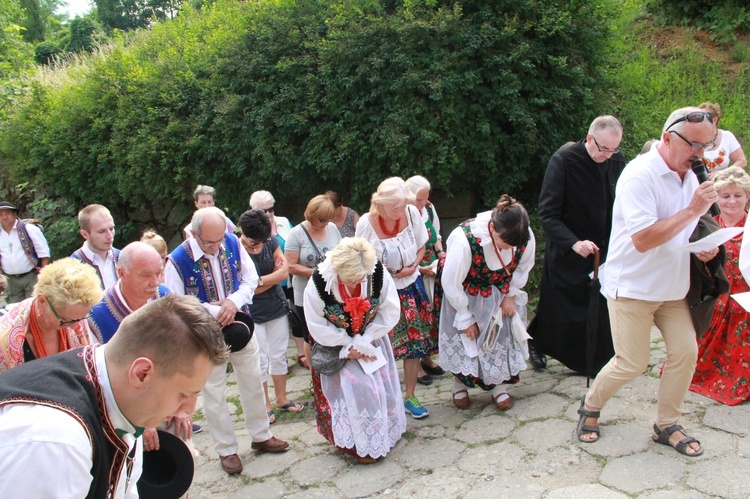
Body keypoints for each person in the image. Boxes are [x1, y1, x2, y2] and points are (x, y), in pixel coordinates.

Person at [576, 107, 720, 458]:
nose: (701, 154)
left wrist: (703, 249)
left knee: (686, 352)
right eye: (694, 145)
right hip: (634, 288)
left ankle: (667, 424)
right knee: (633, 362)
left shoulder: (690, 174)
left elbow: (687, 230)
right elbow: (642, 239)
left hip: (671, 287)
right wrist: (692, 211)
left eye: (708, 145)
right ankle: (590, 406)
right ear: (668, 138)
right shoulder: (639, 176)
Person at [0, 294, 226, 498]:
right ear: (141, 374)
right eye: (184, 394)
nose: (188, 408)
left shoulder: (125, 402)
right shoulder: (54, 442)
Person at [165, 207, 289, 474]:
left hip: (241, 325)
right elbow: (175, 301)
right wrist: (214, 310)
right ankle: (226, 450)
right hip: (203, 335)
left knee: (254, 378)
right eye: (209, 242)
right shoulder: (176, 260)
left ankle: (261, 435)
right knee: (214, 391)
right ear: (194, 234)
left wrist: (233, 302)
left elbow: (250, 278)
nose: (216, 246)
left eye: (220, 239)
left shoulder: (232, 241)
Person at [527, 116, 627, 372]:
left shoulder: (616, 159)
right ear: (590, 138)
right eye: (603, 149)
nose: (608, 155)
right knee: (558, 307)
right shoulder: (564, 160)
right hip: (568, 248)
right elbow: (547, 213)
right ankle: (537, 342)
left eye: (613, 149)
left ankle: (593, 358)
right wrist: (573, 243)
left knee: (596, 304)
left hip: (602, 248)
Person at [303, 237, 406, 464]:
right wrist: (346, 346)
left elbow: (389, 310)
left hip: (372, 341)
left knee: (380, 388)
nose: (355, 282)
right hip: (336, 346)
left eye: (359, 278)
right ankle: (356, 444)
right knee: (356, 390)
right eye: (349, 279)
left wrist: (366, 339)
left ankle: (382, 435)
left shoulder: (376, 272)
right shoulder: (320, 282)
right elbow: (316, 324)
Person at [435, 195, 535, 411]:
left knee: (498, 338)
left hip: (499, 296)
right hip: (466, 295)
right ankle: (458, 384)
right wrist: (465, 316)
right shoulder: (464, 240)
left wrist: (510, 295)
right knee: (466, 341)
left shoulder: (522, 235)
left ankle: (498, 387)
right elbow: (451, 282)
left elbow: (522, 267)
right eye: (505, 243)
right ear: (492, 228)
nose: (509, 249)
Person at [355, 177, 436, 419]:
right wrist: (389, 274)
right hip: (381, 294)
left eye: (403, 206)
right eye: (396, 207)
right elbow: (359, 264)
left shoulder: (411, 213)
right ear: (380, 204)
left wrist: (415, 265)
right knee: (383, 346)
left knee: (413, 346)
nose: (401, 211)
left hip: (411, 287)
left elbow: (423, 245)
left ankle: (410, 396)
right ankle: (385, 398)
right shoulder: (365, 225)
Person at [690, 167, 750, 405]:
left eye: (738, 195)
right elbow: (693, 271)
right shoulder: (708, 227)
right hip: (716, 296)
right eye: (725, 196)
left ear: (747, 196)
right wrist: (702, 259)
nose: (732, 201)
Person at [238, 209, 304, 423]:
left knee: (278, 355)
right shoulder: (237, 250)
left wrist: (257, 282)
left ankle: (281, 398)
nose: (257, 245)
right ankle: (264, 404)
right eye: (253, 243)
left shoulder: (271, 240)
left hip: (276, 306)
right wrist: (269, 279)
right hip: (252, 313)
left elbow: (284, 273)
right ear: (243, 234)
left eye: (261, 242)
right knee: (261, 359)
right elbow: (242, 290)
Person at [0, 258, 102, 372]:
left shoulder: (75, 318)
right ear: (42, 301)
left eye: (82, 318)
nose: (76, 328)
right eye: (65, 320)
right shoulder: (6, 340)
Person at [249, 190, 306, 367]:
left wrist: (280, 271)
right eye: (262, 211)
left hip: (288, 280)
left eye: (270, 209)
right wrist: (275, 274)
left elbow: (290, 256)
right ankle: (277, 361)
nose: (268, 214)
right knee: (272, 325)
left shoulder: (283, 222)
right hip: (268, 286)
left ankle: (300, 352)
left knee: (295, 316)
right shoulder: (250, 229)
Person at [286, 195, 342, 369]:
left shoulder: (332, 228)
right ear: (311, 215)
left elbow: (341, 254)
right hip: (306, 295)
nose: (326, 223)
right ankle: (315, 375)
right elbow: (290, 266)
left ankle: (335, 370)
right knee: (310, 336)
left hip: (332, 292)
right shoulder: (296, 233)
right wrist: (317, 273)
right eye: (322, 219)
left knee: (335, 332)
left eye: (328, 219)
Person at [405, 175, 446, 386]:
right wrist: (419, 268)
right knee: (418, 318)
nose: (423, 203)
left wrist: (441, 255)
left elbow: (436, 234)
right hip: (411, 272)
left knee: (433, 314)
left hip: (431, 267)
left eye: (425, 198)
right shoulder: (402, 214)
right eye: (419, 200)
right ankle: (416, 365)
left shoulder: (428, 208)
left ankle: (428, 357)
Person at [88, 242, 171, 344]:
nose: (156, 282)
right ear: (122, 273)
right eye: (146, 275)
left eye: (159, 273)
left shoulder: (167, 297)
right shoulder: (95, 314)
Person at [0, 201, 50, 304]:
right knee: (14, 310)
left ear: (15, 214)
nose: (4, 217)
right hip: (11, 280)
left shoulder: (28, 229)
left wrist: (43, 276)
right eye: (1, 214)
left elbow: (43, 252)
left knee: (34, 307)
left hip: (31, 276)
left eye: (7, 213)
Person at [71, 204, 120, 290]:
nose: (109, 236)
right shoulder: (73, 267)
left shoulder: (123, 258)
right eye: (101, 231)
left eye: (111, 229)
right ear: (85, 234)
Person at [698, 102, 747, 171]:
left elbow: (742, 161)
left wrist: (723, 174)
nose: (700, 121)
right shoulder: (692, 138)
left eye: (704, 118)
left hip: (722, 180)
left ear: (715, 120)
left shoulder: (727, 136)